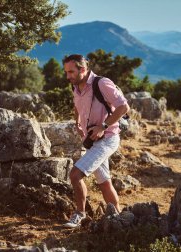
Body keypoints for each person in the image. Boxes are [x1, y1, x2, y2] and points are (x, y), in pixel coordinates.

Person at [62, 54, 130, 228]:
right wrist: (77, 122)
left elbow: (123, 107)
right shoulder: (76, 87)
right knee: (104, 182)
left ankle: (80, 214)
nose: (68, 76)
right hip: (91, 141)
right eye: (66, 72)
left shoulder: (102, 83)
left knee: (75, 175)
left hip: (108, 139)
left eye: (71, 72)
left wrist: (103, 126)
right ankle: (118, 218)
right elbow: (77, 106)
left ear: (82, 69)